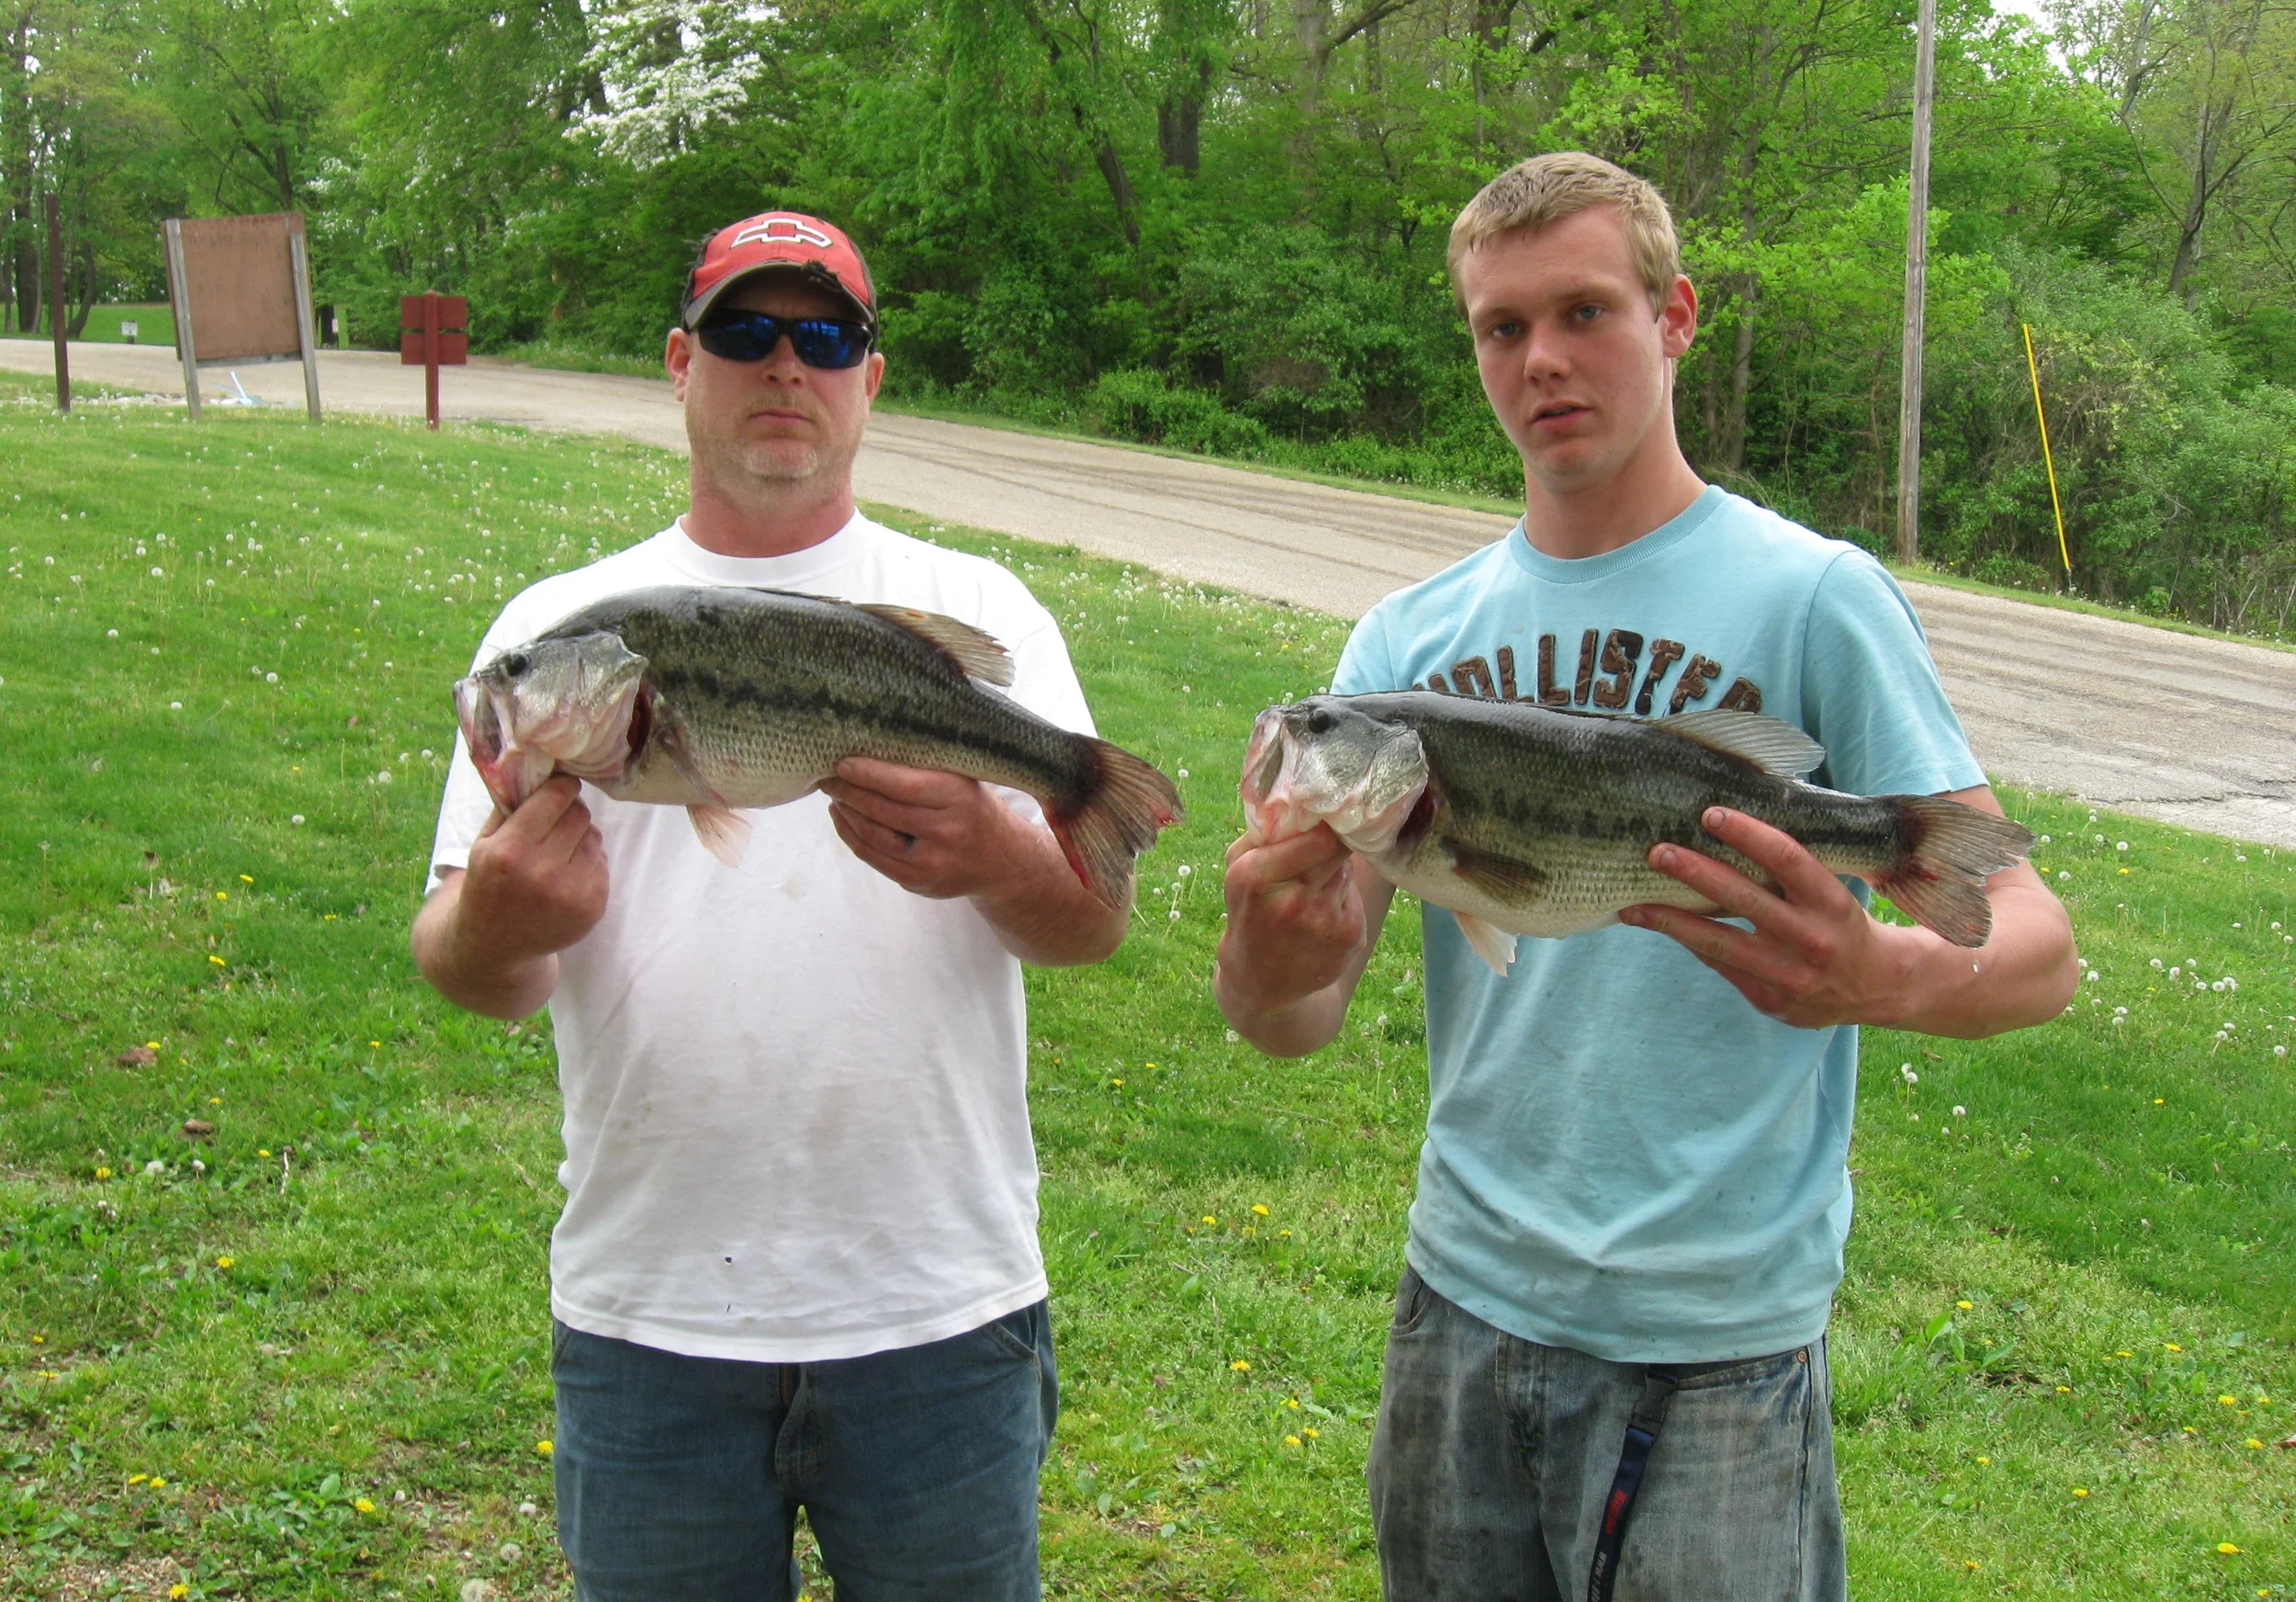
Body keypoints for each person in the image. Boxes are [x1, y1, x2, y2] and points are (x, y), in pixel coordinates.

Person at [1213, 153, 2077, 1601]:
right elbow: (1283, 1018)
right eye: (1501, 326)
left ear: (1674, 317)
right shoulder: (1405, 645)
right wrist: (1274, 942)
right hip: (1460, 1309)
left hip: (1718, 1345)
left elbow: (2039, 948)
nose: (1542, 359)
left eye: (1585, 312)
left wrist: (1885, 973)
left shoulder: (1812, 594)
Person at [411, 210, 1127, 1601]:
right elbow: (471, 967)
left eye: (825, 335)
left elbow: (1090, 923)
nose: (783, 365)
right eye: (744, 332)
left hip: (937, 1306)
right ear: (682, 365)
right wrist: (499, 913)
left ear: (871, 376)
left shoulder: (979, 609)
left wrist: (995, 852)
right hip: (651, 1320)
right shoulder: (562, 625)